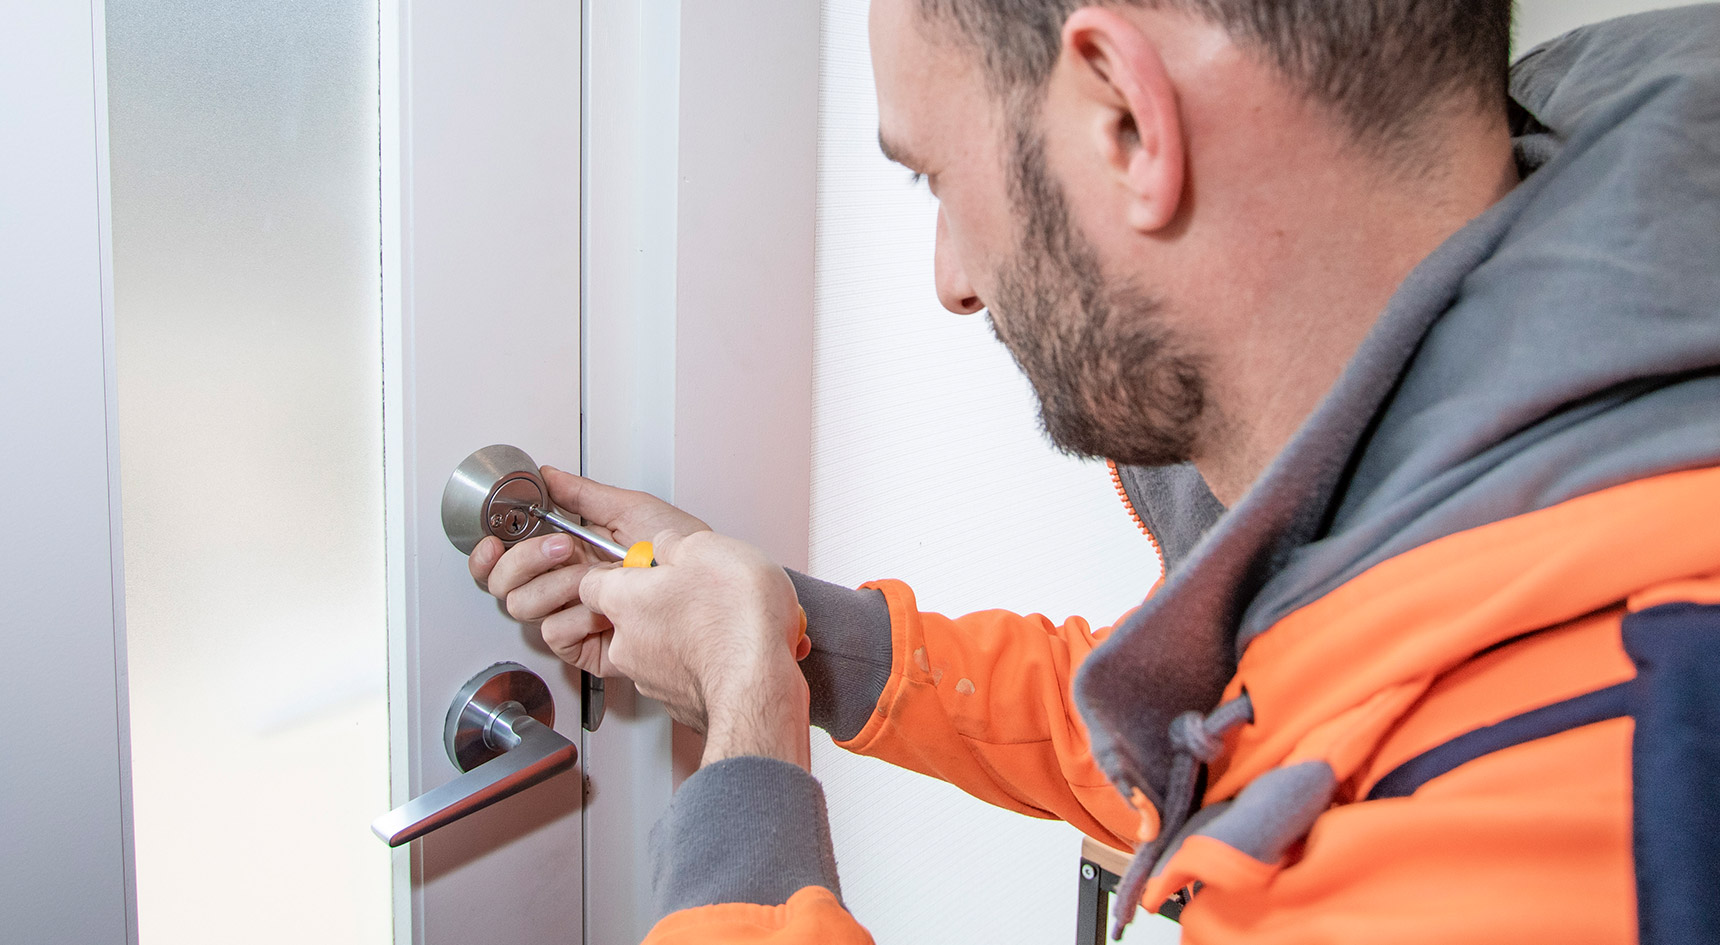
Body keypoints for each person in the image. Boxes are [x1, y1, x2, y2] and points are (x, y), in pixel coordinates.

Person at [474, 1, 1720, 941]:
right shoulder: (1530, 442)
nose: (951, 278)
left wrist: (747, 719)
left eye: (936, 178)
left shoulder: (1564, 821)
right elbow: (1239, 729)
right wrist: (794, 635)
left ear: (1127, 117)